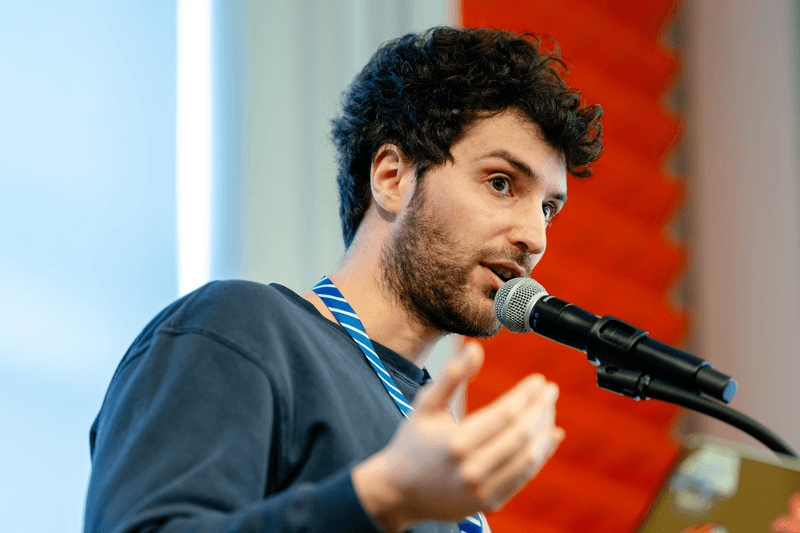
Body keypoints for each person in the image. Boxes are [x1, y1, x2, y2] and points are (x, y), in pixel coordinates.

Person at [83, 26, 603, 533]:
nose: (535, 237)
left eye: (548, 209)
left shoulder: (431, 434)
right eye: (501, 183)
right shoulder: (239, 328)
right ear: (391, 178)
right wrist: (385, 496)